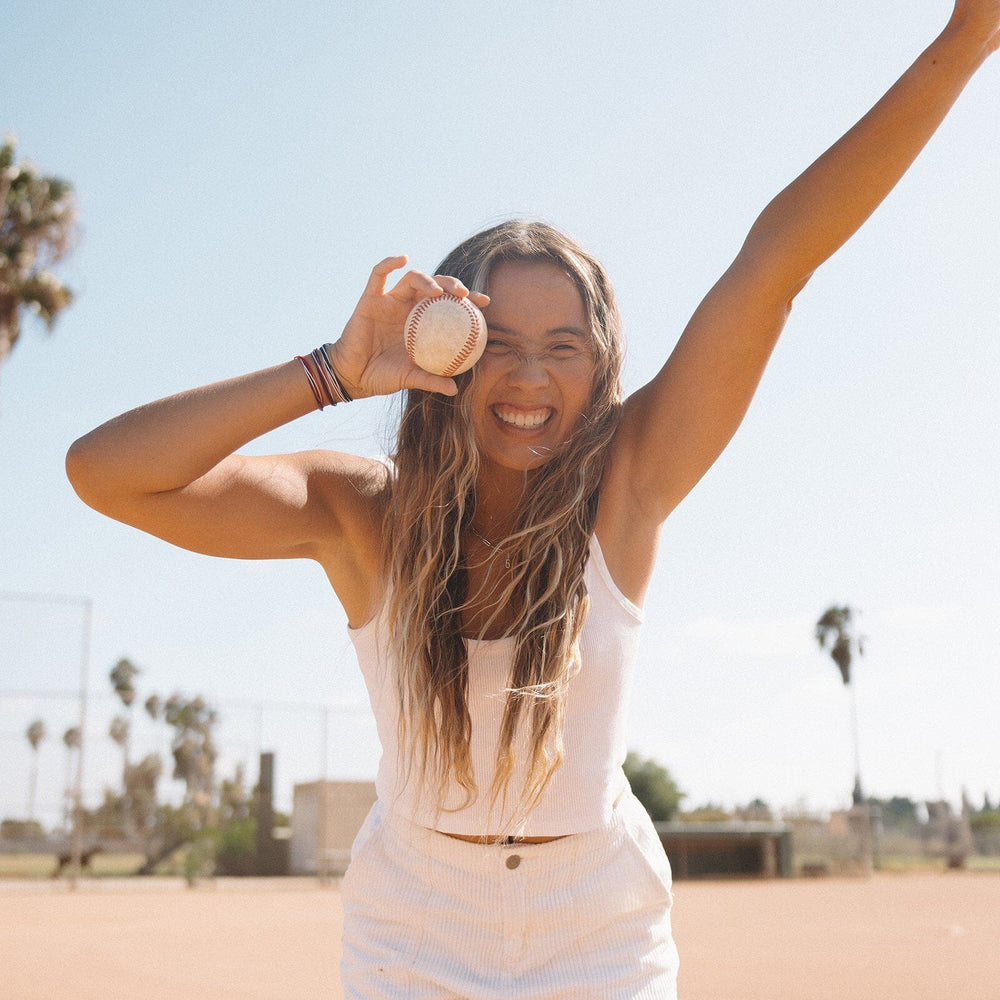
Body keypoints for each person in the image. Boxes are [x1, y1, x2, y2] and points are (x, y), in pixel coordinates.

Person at [66, 4, 998, 997]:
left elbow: (773, 267)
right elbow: (107, 472)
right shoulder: (360, 513)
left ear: (599, 368)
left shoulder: (628, 482)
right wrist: (331, 373)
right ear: (447, 353)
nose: (530, 376)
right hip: (412, 925)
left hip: (594, 924)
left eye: (564, 346)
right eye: (497, 342)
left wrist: (966, 40)